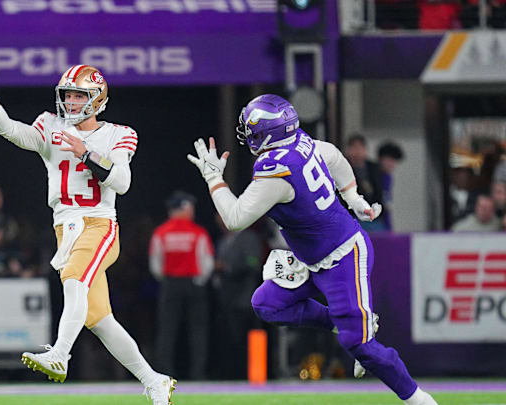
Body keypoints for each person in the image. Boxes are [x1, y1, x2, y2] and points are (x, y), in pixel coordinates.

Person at [186, 94, 437, 405]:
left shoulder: (274, 171)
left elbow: (234, 218)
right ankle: (347, 321)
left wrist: (213, 178)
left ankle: (419, 400)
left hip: (343, 256)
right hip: (312, 259)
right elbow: (332, 155)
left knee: (359, 346)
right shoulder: (300, 143)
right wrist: (353, 197)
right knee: (267, 304)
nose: (247, 134)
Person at [0, 57, 175, 404]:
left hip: (99, 223)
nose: (71, 103)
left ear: (96, 98)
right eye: (68, 96)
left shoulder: (118, 134)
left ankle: (60, 354)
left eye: (79, 96)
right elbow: (10, 130)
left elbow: (122, 182)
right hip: (65, 228)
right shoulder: (51, 126)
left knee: (74, 278)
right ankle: (154, 380)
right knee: (99, 319)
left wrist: (86, 152)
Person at [149, 190, 214, 380]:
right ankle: (198, 373)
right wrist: (199, 280)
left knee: (167, 330)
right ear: (184, 208)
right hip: (194, 284)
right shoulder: (198, 232)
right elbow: (207, 262)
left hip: (170, 285)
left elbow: (155, 264)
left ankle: (164, 373)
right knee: (198, 331)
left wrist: (167, 279)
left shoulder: (161, 233)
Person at [212, 213, 262, 379]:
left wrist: (227, 267)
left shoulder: (249, 238)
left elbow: (254, 263)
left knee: (242, 339)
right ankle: (229, 375)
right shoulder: (222, 241)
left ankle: (246, 375)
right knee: (227, 340)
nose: (220, 222)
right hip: (225, 299)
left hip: (244, 298)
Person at [344, 134, 384, 231]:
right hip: (352, 215)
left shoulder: (374, 168)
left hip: (373, 215)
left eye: (360, 148)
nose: (357, 152)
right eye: (354, 148)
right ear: (348, 150)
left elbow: (379, 193)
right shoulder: (343, 168)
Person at [377, 142, 404, 231]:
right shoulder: (375, 176)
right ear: (381, 159)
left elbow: (387, 203)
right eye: (389, 160)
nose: (392, 164)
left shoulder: (388, 178)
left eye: (394, 161)